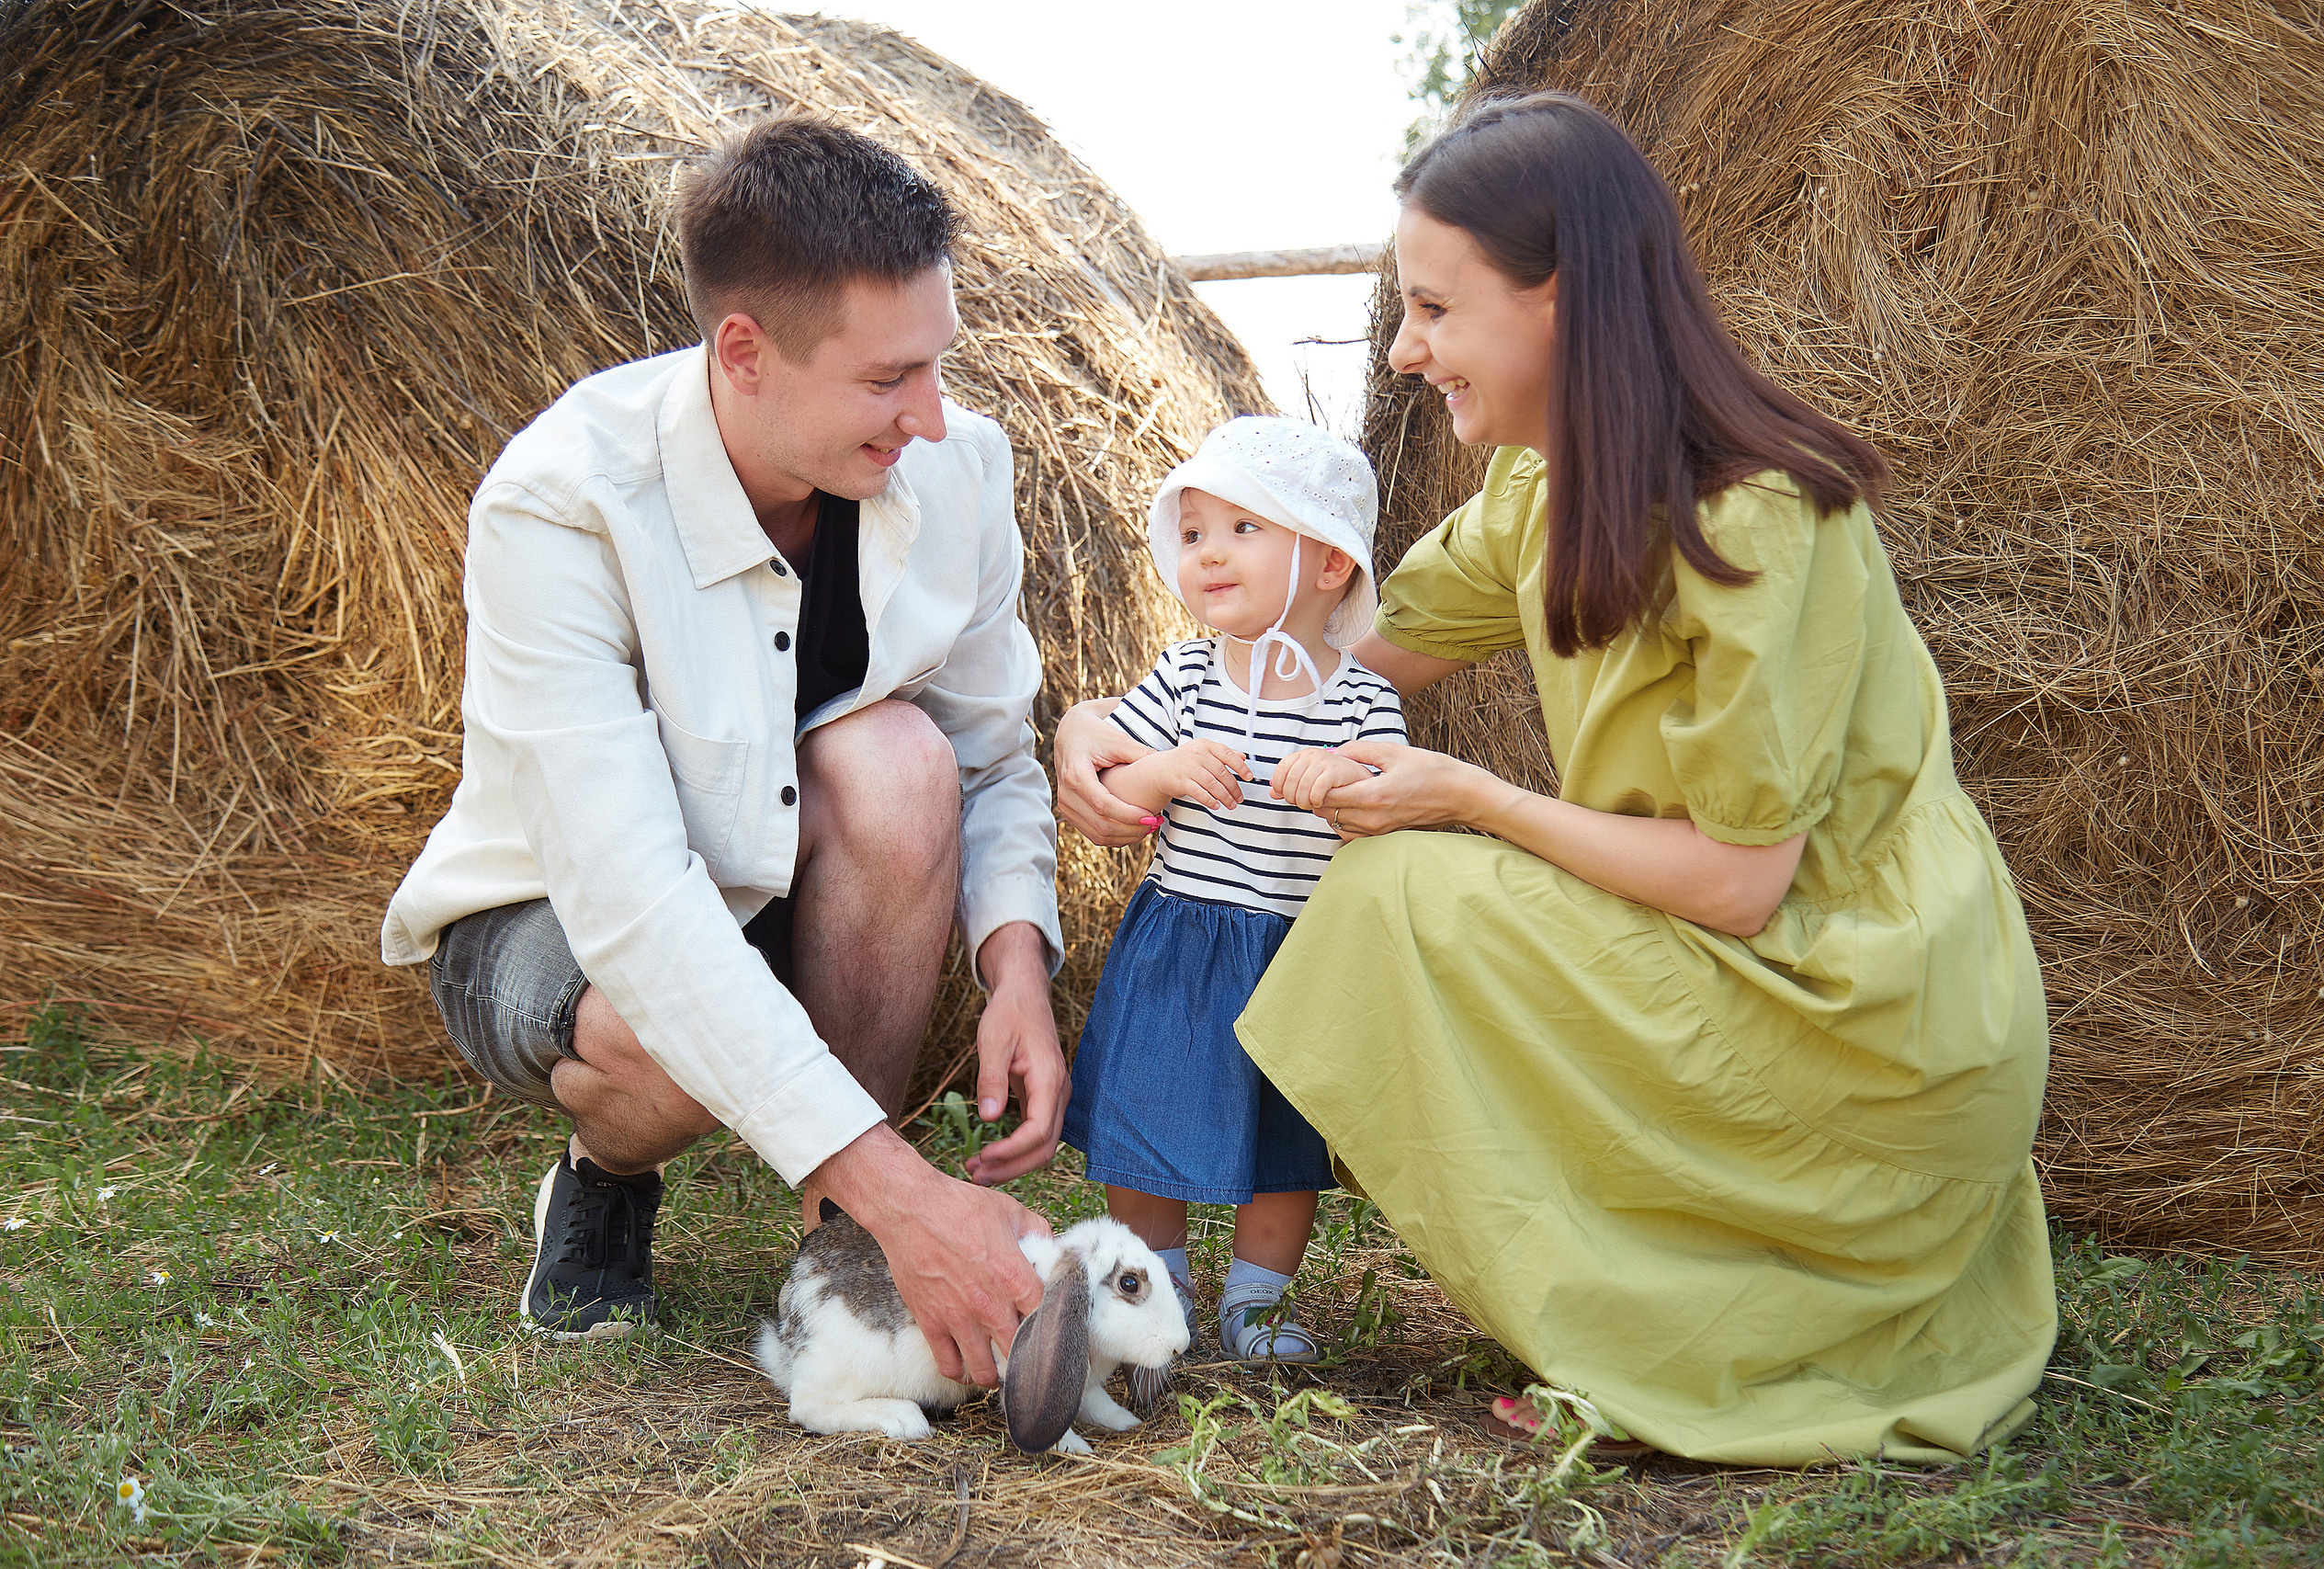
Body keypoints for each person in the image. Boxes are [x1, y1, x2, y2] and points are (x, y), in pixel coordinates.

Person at [1054, 94, 2056, 1465]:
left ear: (1561, 299)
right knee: (1395, 868)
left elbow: (1741, 884)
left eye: (1433, 308)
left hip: (1856, 1007)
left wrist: (1471, 796)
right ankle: (1631, 1279)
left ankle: (1657, 1303)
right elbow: (1314, 659)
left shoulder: (1757, 518)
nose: (1402, 350)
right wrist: (1103, 725)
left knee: (1401, 886)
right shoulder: (1541, 492)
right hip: (1712, 961)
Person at [380, 117, 1067, 1387]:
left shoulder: (959, 466)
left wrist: (1015, 960)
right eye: (887, 379)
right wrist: (918, 1193)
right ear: (744, 352)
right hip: (555, 914)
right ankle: (608, 1176)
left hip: (783, 883)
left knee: (902, 762)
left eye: (937, 364)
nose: (930, 416)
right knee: (670, 1043)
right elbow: (636, 906)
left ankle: (840, 1256)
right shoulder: (562, 501)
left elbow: (990, 756)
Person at [1061, 416, 1405, 1365]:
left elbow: (1391, 805)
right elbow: (1115, 783)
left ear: (1330, 561)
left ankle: (1255, 1301)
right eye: (1193, 532)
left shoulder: (1360, 698)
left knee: (1282, 1141)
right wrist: (1164, 771)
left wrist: (1346, 784)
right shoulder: (1185, 675)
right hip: (1183, 942)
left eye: (1244, 528)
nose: (1208, 551)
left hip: (1296, 950)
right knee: (1146, 1117)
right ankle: (1157, 1287)